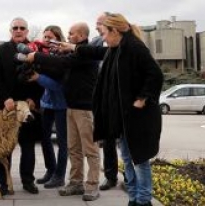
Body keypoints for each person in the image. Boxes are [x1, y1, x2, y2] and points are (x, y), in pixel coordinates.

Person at [58, 13, 164, 206]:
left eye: (105, 33)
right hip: (122, 118)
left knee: (139, 161)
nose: (104, 39)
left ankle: (143, 200)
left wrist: (142, 98)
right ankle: (133, 198)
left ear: (115, 31)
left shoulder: (135, 48)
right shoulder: (116, 49)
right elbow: (94, 53)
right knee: (127, 159)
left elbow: (155, 74)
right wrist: (73, 47)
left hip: (137, 118)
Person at [26, 22, 100, 201]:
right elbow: (61, 64)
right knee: (73, 148)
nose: (68, 36)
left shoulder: (86, 51)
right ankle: (76, 183)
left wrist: (37, 55)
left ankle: (92, 186)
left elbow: (61, 63)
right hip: (71, 107)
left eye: (71, 33)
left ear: (81, 35)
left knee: (90, 149)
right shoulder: (74, 51)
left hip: (84, 108)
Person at [0, 17, 44, 196]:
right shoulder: (0, 50)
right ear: (11, 30)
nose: (19, 30)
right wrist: (5, 97)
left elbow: (40, 76)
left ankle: (28, 181)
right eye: (15, 28)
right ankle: (3, 182)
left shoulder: (36, 50)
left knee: (28, 146)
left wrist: (34, 99)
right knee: (4, 147)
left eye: (22, 28)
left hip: (29, 106)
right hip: (7, 106)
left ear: (27, 31)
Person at [29, 25, 68, 189]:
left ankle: (59, 175)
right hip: (47, 103)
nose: (46, 40)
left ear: (58, 39)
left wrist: (38, 77)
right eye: (45, 37)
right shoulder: (44, 55)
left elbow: (60, 86)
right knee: (45, 139)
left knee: (62, 142)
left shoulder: (65, 55)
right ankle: (50, 170)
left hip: (61, 104)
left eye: (50, 37)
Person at [91, 12, 119, 191]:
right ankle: (110, 177)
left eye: (100, 23)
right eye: (96, 23)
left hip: (117, 96)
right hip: (100, 97)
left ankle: (132, 177)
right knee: (107, 141)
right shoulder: (94, 41)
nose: (97, 26)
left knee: (124, 142)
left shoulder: (117, 41)